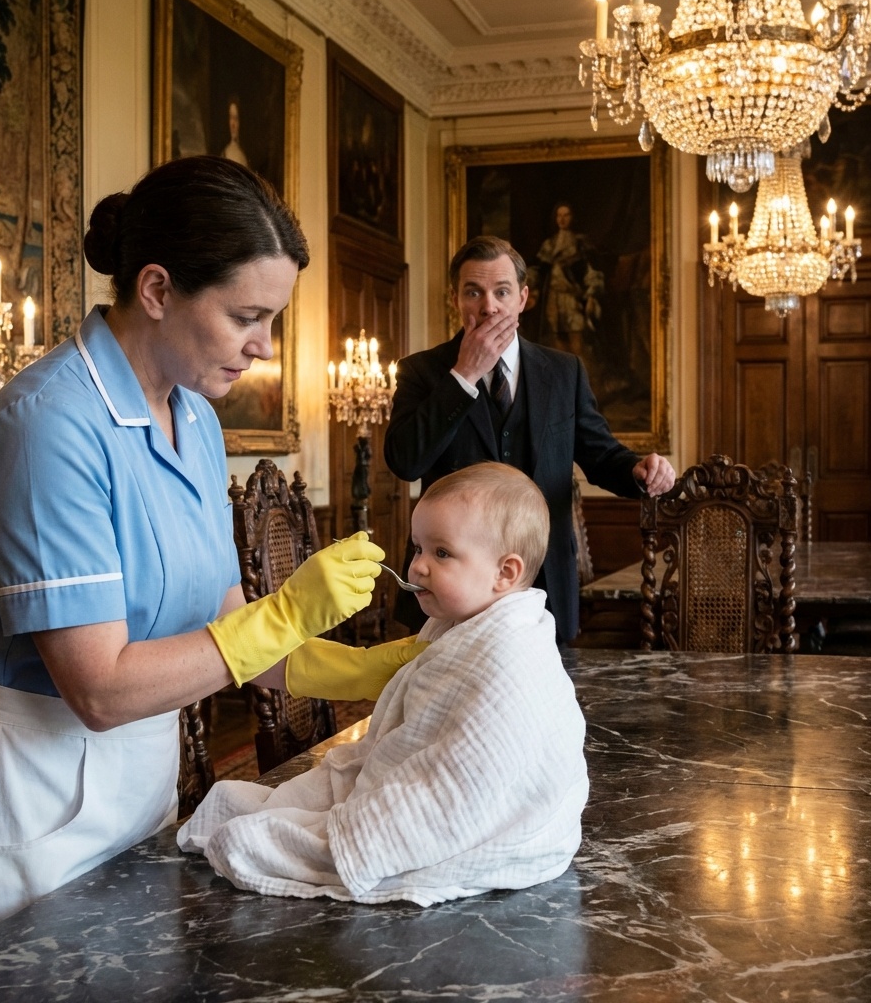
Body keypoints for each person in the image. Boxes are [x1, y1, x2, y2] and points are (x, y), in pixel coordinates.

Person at [0, 155, 423, 988]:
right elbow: (99, 689)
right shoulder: (50, 424)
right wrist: (285, 612)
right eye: (246, 316)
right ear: (158, 289)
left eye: (271, 319)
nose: (264, 347)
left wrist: (375, 669)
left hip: (136, 783)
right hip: (23, 789)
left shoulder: (196, 421)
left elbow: (231, 633)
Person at [177, 462, 588, 905]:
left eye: (442, 553)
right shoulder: (459, 623)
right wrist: (302, 624)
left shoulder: (510, 651)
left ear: (505, 573)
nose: (418, 566)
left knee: (287, 837)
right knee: (252, 808)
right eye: (418, 548)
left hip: (473, 811)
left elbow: (473, 771)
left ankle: (358, 845)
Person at [384, 235, 676, 645]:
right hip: (451, 587)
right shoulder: (421, 371)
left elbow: (601, 455)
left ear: (523, 298)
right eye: (474, 292)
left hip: (546, 581)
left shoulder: (564, 371)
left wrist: (638, 469)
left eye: (502, 292)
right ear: (455, 299)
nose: (489, 306)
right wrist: (464, 375)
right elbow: (405, 461)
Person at [528, 202, 603, 358]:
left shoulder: (580, 243)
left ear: (572, 218)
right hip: (552, 298)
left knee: (577, 339)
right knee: (556, 341)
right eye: (559, 215)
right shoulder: (550, 244)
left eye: (566, 215)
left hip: (572, 297)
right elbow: (539, 270)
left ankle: (581, 371)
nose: (562, 219)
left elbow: (591, 271)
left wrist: (591, 295)